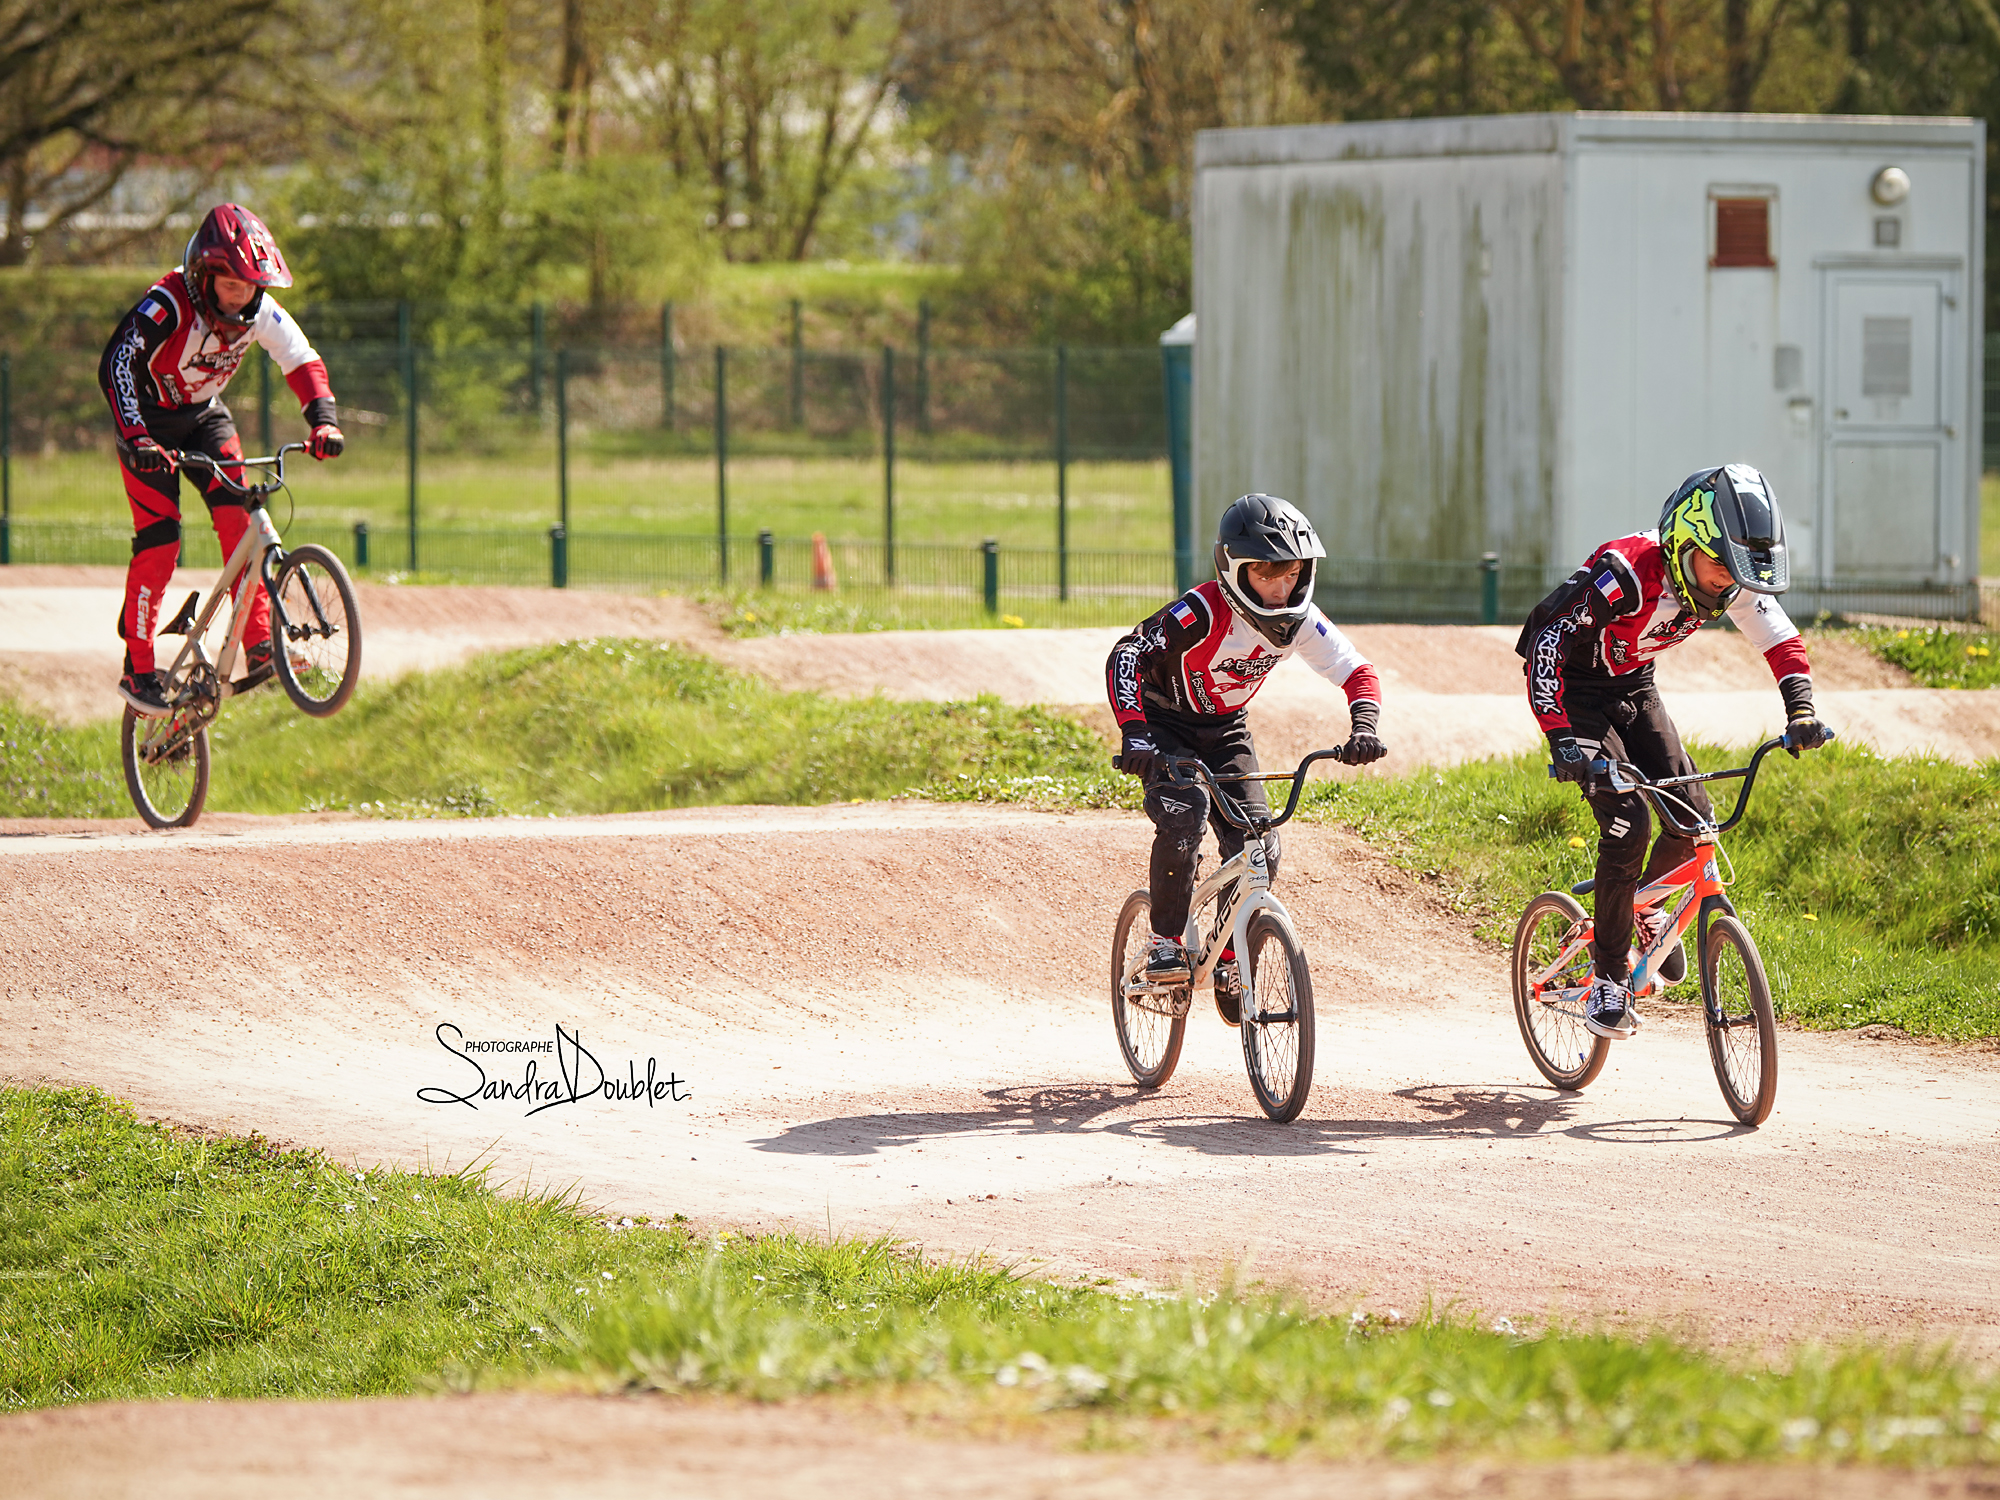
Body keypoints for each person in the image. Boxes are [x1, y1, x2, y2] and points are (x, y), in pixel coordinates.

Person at [1518, 463, 1833, 1040]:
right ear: (1685, 546)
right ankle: (1610, 978)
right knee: (1629, 821)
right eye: (1720, 566)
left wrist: (1802, 712)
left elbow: (1781, 639)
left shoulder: (1728, 576)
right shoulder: (1625, 575)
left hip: (1634, 687)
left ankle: (1643, 906)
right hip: (1576, 694)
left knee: (1695, 822)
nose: (1728, 583)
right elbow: (1545, 642)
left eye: (1738, 571)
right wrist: (1561, 739)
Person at [1107, 493, 1386, 1022]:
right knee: (1186, 816)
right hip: (1164, 724)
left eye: (1292, 573)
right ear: (1235, 571)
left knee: (1261, 844)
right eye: (1266, 574)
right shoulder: (1201, 612)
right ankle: (1165, 941)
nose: (1281, 589)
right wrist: (1135, 734)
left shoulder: (1302, 620)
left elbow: (1358, 672)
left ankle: (1232, 956)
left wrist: (1365, 727)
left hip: (1225, 730)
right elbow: (1127, 655)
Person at [98, 203, 344, 715]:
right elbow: (118, 360)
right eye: (230, 284)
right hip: (146, 425)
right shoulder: (168, 302)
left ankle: (261, 645)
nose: (240, 297)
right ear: (203, 275)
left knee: (244, 520)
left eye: (249, 286)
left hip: (205, 418)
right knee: (161, 540)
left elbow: (301, 358)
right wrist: (137, 436)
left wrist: (323, 421)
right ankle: (137, 666)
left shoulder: (259, 309)